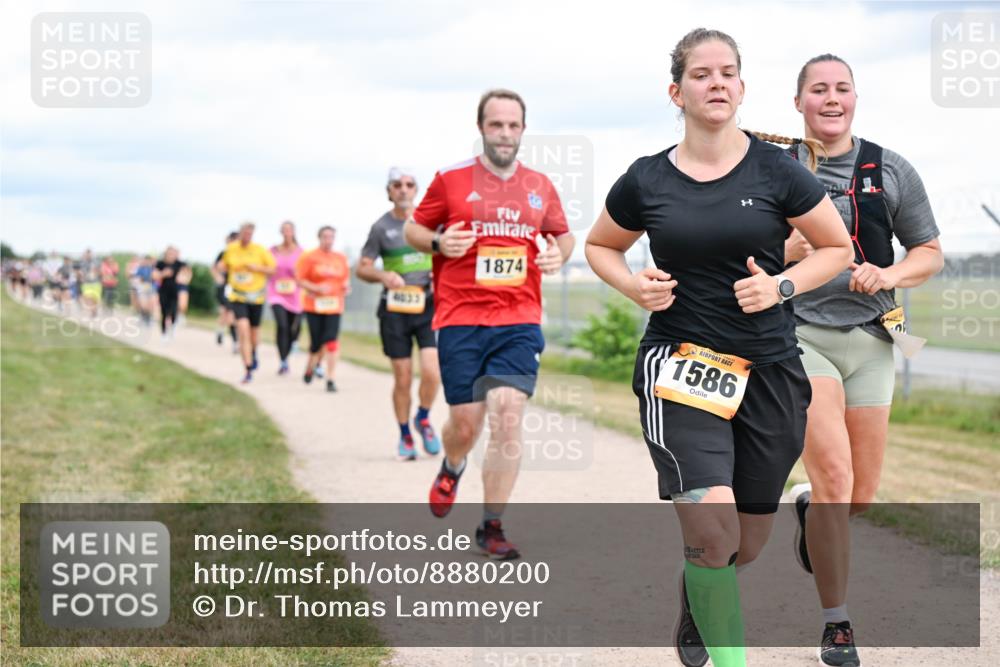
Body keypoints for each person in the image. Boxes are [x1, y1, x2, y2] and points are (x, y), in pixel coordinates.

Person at [584, 29, 853, 667]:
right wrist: (633, 285)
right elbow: (600, 246)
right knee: (712, 524)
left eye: (727, 73)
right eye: (702, 74)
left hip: (770, 370)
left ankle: (699, 589)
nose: (717, 84)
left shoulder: (778, 170)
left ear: (742, 87)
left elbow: (836, 248)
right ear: (676, 92)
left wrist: (781, 285)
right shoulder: (646, 179)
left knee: (742, 544)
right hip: (679, 365)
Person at [771, 54, 943, 667]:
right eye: (818, 89)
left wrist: (891, 274)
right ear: (798, 102)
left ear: (854, 99)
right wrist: (784, 249)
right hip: (799, 335)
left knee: (859, 496)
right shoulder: (771, 168)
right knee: (836, 479)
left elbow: (930, 252)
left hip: (872, 338)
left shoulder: (889, 169)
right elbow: (732, 250)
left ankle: (808, 509)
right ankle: (837, 625)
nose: (831, 98)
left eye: (842, 88)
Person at [404, 88, 575, 560]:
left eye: (513, 125)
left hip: (518, 319)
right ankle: (452, 463)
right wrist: (439, 243)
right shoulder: (451, 180)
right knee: (466, 424)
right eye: (496, 124)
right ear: (481, 127)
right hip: (460, 319)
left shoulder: (539, 185)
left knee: (506, 413)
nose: (504, 133)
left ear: (523, 130)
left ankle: (491, 525)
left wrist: (556, 255)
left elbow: (563, 237)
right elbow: (414, 229)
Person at [358, 167, 442, 461]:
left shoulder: (431, 222)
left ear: (416, 190)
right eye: (397, 185)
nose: (403, 189)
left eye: (408, 184)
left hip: (428, 305)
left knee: (432, 371)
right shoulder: (381, 228)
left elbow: (448, 254)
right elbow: (363, 268)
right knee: (403, 378)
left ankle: (423, 417)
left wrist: (441, 276)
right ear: (389, 192)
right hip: (395, 309)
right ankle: (405, 434)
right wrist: (383, 276)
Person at [217, 222, 276, 383]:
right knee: (243, 330)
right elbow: (223, 265)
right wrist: (222, 267)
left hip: (256, 297)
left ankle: (254, 352)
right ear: (240, 233)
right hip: (238, 296)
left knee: (254, 335)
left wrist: (256, 268)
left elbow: (272, 270)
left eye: (250, 234)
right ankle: (248, 368)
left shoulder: (260, 250)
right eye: (244, 233)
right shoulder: (231, 249)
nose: (247, 236)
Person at [295, 226, 350, 392]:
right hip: (314, 306)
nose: (328, 240)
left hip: (334, 306)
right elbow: (300, 280)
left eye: (331, 237)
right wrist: (315, 288)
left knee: (331, 341)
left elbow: (345, 280)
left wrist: (346, 287)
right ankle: (310, 366)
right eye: (325, 237)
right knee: (316, 342)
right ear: (319, 238)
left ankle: (330, 378)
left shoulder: (340, 258)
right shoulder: (309, 257)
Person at [268, 221, 303, 375]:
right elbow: (266, 267)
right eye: (284, 230)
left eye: (289, 230)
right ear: (281, 232)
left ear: (294, 232)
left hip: (295, 296)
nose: (287, 233)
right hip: (276, 294)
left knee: (292, 329)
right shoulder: (272, 251)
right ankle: (283, 361)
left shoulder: (301, 252)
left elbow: (306, 272)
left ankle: (288, 352)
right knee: (282, 326)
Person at [212, 231, 240, 352]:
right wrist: (218, 277)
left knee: (229, 314)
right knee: (228, 313)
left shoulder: (242, 254)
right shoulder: (224, 253)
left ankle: (221, 332)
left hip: (238, 288)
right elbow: (215, 267)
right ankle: (234, 341)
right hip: (226, 288)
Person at [153, 246, 187, 341]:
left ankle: (172, 326)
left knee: (173, 311)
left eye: (173, 254)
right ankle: (163, 333)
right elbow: (154, 275)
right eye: (169, 253)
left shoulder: (180, 264)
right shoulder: (160, 264)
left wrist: (183, 277)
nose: (171, 255)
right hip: (163, 291)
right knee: (164, 312)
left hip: (175, 291)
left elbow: (187, 273)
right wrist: (163, 274)